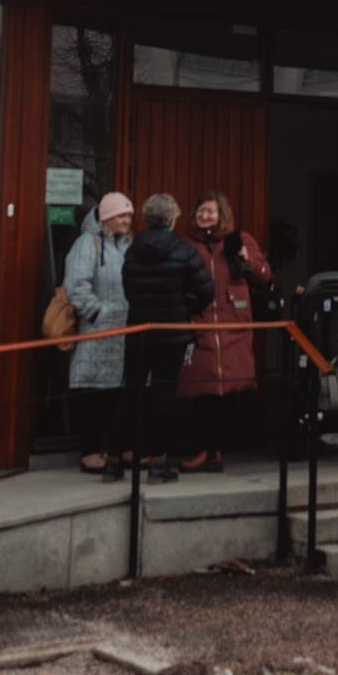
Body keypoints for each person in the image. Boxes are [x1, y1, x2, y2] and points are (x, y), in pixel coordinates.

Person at [178, 190, 280, 473]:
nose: (205, 216)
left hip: (234, 326)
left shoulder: (239, 239)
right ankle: (209, 450)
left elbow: (265, 277)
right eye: (201, 211)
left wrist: (247, 259)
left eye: (211, 211)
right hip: (199, 327)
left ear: (222, 214)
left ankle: (214, 450)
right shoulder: (185, 244)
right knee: (203, 390)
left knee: (230, 389)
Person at [120, 191, 216, 483]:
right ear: (172, 219)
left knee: (130, 393)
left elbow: (128, 289)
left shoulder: (132, 250)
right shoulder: (184, 250)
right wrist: (186, 307)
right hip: (172, 334)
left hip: (138, 331)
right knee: (162, 397)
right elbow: (206, 291)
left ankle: (113, 461)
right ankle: (157, 464)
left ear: (147, 218)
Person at [62, 191, 134, 475]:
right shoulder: (86, 244)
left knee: (122, 393)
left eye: (129, 215)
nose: (126, 220)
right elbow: (75, 285)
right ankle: (90, 453)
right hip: (96, 332)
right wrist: (97, 313)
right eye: (120, 215)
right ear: (105, 217)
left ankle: (122, 449)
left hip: (125, 332)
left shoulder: (128, 246)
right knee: (91, 393)